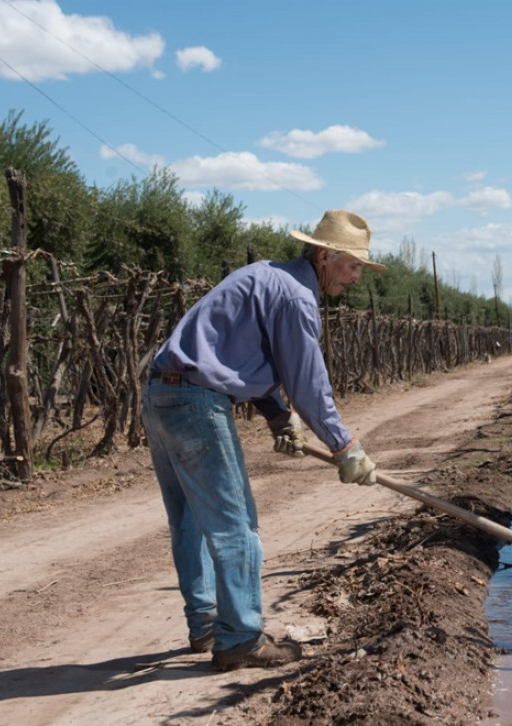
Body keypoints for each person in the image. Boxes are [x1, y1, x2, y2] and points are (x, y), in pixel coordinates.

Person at [141, 209, 383, 671]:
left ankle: (206, 623)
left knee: (190, 519)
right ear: (325, 256)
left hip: (162, 394)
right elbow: (308, 385)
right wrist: (345, 447)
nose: (356, 278)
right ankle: (241, 639)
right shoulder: (296, 297)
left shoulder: (267, 276)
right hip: (196, 402)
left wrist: (277, 417)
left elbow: (242, 352)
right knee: (236, 525)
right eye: (353, 266)